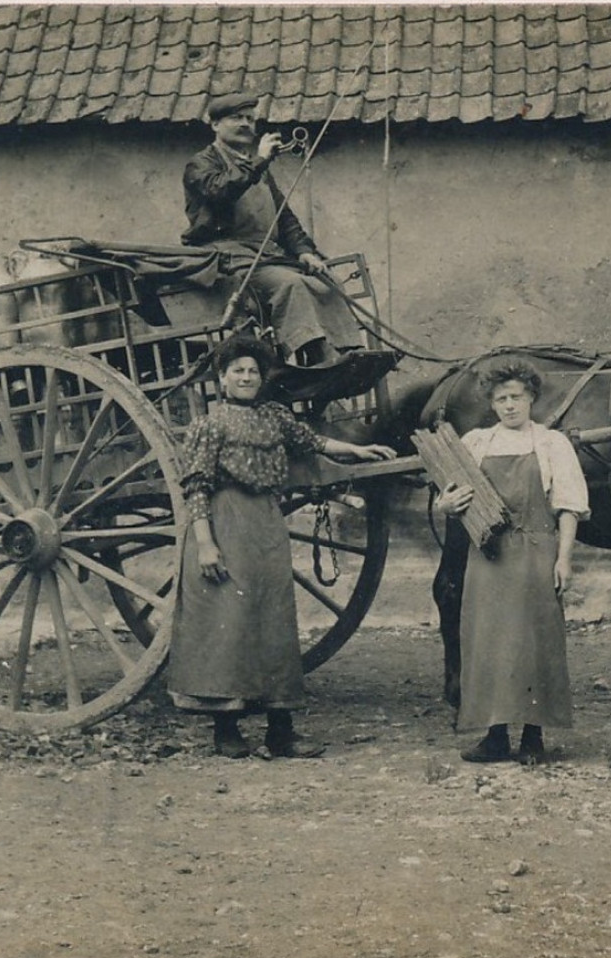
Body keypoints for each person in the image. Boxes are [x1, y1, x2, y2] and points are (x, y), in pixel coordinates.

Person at [170, 334, 397, 758]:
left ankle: (281, 731)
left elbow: (315, 443)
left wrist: (358, 450)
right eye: (237, 371)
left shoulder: (274, 417)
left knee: (275, 619)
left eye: (253, 371)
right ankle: (226, 729)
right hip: (225, 519)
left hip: (266, 524)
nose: (246, 377)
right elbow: (196, 486)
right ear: (222, 379)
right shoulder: (210, 424)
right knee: (229, 619)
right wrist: (205, 544)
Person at [435, 359, 591, 766]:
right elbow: (447, 497)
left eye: (516, 397)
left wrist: (565, 560)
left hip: (537, 551)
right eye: (501, 398)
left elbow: (569, 508)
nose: (509, 405)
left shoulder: (552, 444)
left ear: (531, 398)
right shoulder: (475, 443)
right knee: (487, 642)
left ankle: (534, 737)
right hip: (488, 555)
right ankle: (495, 736)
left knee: (535, 642)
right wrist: (447, 503)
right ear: (491, 403)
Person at [182, 92, 363, 370]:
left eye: (250, 119)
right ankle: (320, 360)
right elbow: (219, 191)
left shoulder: (260, 170)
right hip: (229, 258)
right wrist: (260, 161)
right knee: (289, 285)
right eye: (236, 118)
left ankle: (348, 352)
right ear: (215, 124)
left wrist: (305, 252)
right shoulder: (202, 163)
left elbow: (284, 218)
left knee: (328, 282)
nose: (246, 124)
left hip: (267, 255)